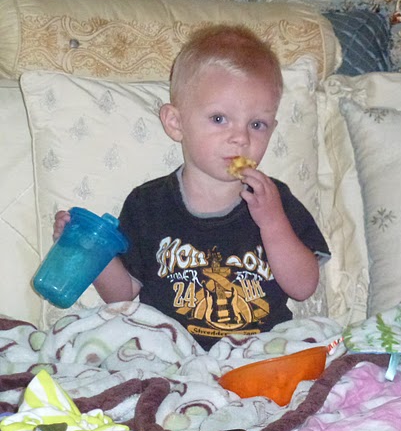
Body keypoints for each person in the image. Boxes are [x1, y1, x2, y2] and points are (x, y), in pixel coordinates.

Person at [52, 24, 330, 350]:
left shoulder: (275, 200)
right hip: (170, 352)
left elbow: (303, 288)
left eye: (257, 124)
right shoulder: (147, 205)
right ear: (176, 123)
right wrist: (89, 250)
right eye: (219, 119)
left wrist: (273, 223)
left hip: (257, 354)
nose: (241, 137)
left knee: (317, 340)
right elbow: (122, 296)